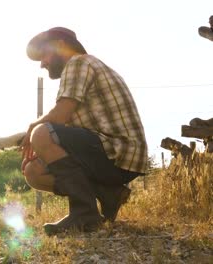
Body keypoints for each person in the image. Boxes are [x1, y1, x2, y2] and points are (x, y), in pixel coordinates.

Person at [21, 27, 148, 235]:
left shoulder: (78, 62)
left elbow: (59, 117)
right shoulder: (82, 67)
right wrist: (41, 148)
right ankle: (109, 194)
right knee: (33, 172)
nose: (42, 63)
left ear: (60, 45)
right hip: (107, 152)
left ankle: (85, 213)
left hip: (118, 152)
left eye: (44, 55)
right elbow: (66, 130)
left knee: (41, 133)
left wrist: (34, 131)